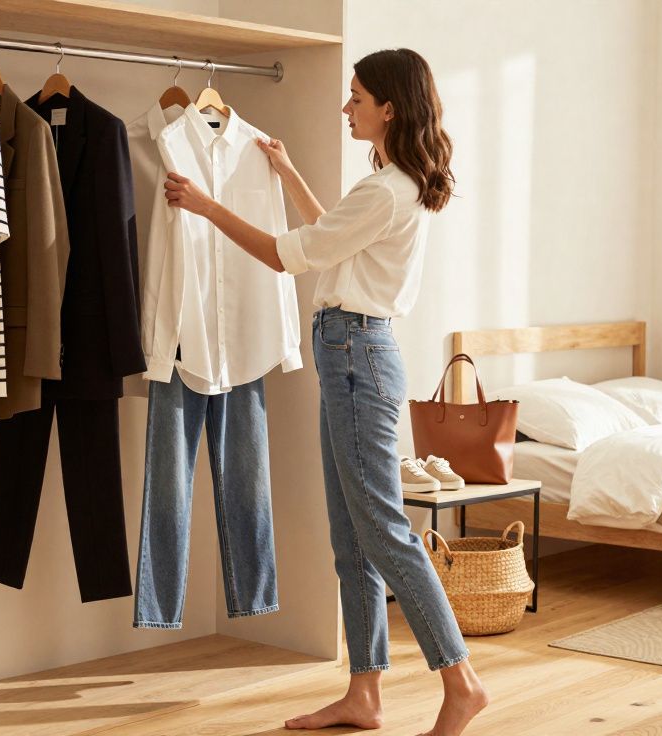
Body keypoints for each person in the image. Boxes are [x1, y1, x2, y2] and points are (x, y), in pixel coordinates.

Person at [163, 48, 488, 736]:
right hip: (351, 352)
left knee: (382, 529)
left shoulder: (387, 190)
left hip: (356, 357)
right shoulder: (393, 185)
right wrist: (286, 171)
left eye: (357, 98)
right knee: (351, 536)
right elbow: (329, 241)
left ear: (390, 109)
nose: (347, 108)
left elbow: (289, 254)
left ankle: (460, 680)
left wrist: (203, 205)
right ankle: (364, 694)